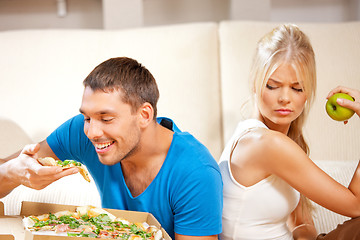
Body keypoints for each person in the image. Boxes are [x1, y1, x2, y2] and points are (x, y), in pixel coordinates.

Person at [0, 57, 223, 240]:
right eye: (87, 117)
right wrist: (12, 173)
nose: (92, 132)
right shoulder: (82, 131)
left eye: (106, 119)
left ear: (144, 115)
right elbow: (11, 167)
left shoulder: (196, 173)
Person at [219, 24, 360, 240]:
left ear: (307, 92)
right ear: (255, 84)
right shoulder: (267, 144)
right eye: (273, 86)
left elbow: (300, 222)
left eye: (297, 88)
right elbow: (356, 205)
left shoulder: (280, 140)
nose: (285, 98)